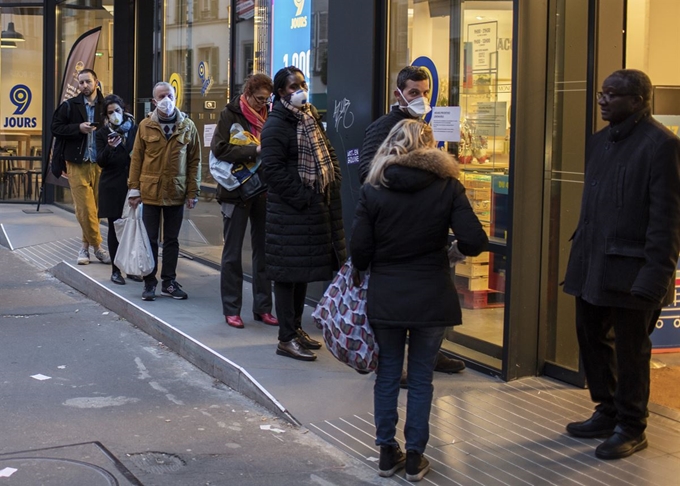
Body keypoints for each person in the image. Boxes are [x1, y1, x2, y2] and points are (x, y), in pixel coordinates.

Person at [351, 119, 488, 481]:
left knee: (388, 373)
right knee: (422, 378)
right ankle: (414, 458)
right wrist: (452, 252)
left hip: (387, 295)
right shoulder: (447, 187)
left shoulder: (373, 189)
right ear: (430, 148)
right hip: (432, 294)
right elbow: (475, 239)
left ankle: (385, 453)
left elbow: (360, 251)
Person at [563, 69, 680, 460]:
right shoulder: (599, 142)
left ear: (639, 101)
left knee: (632, 351)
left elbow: (668, 219)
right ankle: (607, 408)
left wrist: (657, 274)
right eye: (602, 92)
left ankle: (632, 425)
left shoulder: (662, 145)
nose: (602, 100)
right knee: (591, 337)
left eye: (612, 95)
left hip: (634, 270)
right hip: (592, 262)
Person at [359, 65, 467, 377]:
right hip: (394, 228)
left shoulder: (420, 125)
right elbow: (366, 173)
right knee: (400, 299)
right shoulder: (384, 128)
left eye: (425, 93)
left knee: (425, 297)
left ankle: (428, 353)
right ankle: (400, 363)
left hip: (423, 227)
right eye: (414, 93)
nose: (421, 99)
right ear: (399, 94)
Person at [260, 66, 346, 361]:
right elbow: (270, 170)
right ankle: (285, 338)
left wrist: (332, 181)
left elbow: (328, 153)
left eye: (303, 83)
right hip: (290, 213)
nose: (301, 89)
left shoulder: (309, 118)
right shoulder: (276, 124)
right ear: (281, 92)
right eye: (294, 86)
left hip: (309, 211)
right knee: (286, 276)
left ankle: (295, 329)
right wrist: (304, 197)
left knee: (301, 274)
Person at [211, 74, 278, 329]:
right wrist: (255, 151)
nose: (262, 104)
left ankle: (263, 308)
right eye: (259, 99)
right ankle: (232, 309)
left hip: (262, 189)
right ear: (247, 93)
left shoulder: (269, 115)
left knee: (263, 252)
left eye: (266, 99)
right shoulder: (230, 114)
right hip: (235, 190)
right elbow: (220, 149)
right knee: (232, 253)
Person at [128, 81, 202, 302]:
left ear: (175, 96)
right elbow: (136, 159)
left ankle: (168, 282)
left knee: (171, 240)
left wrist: (192, 191)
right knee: (149, 239)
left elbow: (194, 161)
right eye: (161, 97)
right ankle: (150, 282)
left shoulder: (187, 126)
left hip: (175, 193)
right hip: (149, 192)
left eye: (169, 95)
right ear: (154, 101)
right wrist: (133, 190)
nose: (165, 100)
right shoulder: (144, 126)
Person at [51, 68, 111, 266]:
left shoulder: (107, 105)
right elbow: (55, 128)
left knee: (94, 209)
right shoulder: (70, 105)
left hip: (100, 164)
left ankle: (84, 248)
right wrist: (78, 128)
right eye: (81, 82)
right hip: (77, 163)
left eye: (88, 82)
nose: (84, 86)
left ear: (96, 82)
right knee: (84, 209)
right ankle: (98, 247)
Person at [95, 94, 142, 285]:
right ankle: (116, 270)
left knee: (133, 228)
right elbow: (100, 161)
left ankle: (131, 268)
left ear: (125, 111)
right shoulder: (101, 133)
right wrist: (110, 148)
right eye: (110, 112)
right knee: (115, 228)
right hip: (112, 185)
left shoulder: (135, 130)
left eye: (118, 111)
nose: (115, 115)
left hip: (132, 185)